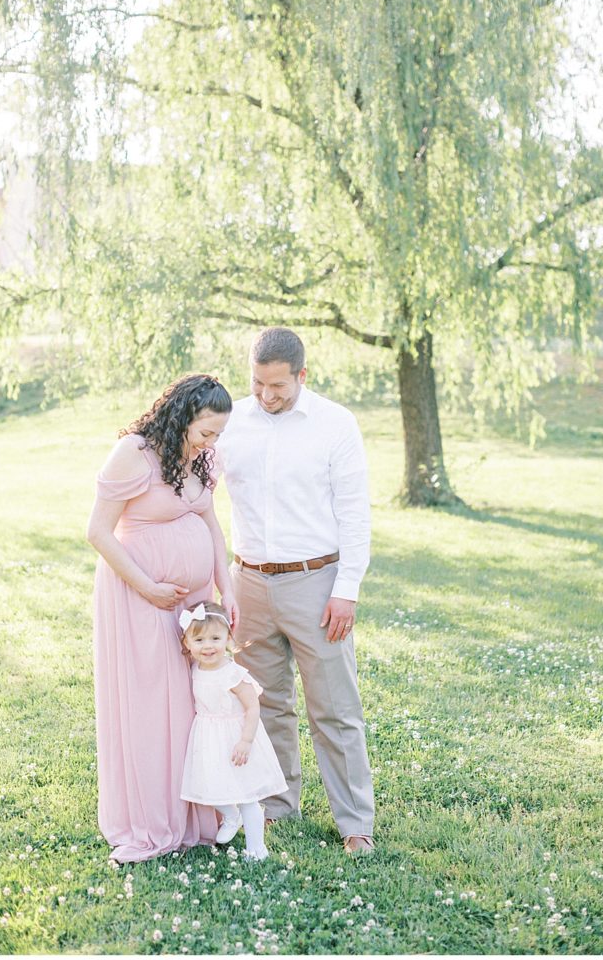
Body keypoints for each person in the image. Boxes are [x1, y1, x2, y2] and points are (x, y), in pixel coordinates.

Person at [216, 327, 375, 854]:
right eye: (258, 384)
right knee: (263, 703)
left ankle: (355, 823)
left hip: (317, 581)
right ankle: (278, 803)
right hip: (250, 582)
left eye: (279, 386)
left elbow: (354, 513)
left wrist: (346, 589)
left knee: (333, 707)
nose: (267, 396)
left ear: (302, 376)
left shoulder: (335, 424)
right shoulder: (233, 422)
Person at [87, 374, 239, 862]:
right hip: (139, 597)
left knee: (191, 705)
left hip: (189, 602)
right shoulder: (134, 453)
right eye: (205, 432)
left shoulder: (200, 458)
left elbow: (210, 522)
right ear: (181, 418)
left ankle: (193, 814)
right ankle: (150, 821)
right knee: (151, 707)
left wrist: (226, 585)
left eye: (217, 434)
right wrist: (147, 586)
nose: (211, 443)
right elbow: (98, 532)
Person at [179, 601, 287, 861]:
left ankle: (256, 848)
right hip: (207, 736)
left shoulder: (233, 674)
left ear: (228, 638)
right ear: (187, 644)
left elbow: (252, 707)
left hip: (236, 738)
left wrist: (246, 741)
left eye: (216, 638)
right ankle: (230, 815)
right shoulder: (194, 669)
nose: (208, 646)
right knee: (208, 786)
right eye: (199, 639)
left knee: (248, 796)